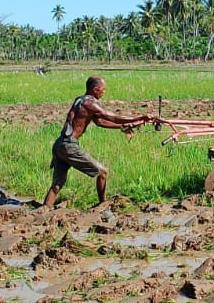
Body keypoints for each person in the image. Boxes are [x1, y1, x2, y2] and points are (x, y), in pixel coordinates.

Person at [42, 76, 150, 208]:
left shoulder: (80, 100)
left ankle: (44, 210)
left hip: (60, 144)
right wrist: (139, 117)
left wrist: (122, 126)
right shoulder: (90, 104)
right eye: (103, 90)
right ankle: (102, 205)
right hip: (69, 145)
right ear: (95, 89)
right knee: (102, 172)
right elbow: (112, 117)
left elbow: (100, 122)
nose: (104, 93)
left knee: (57, 184)